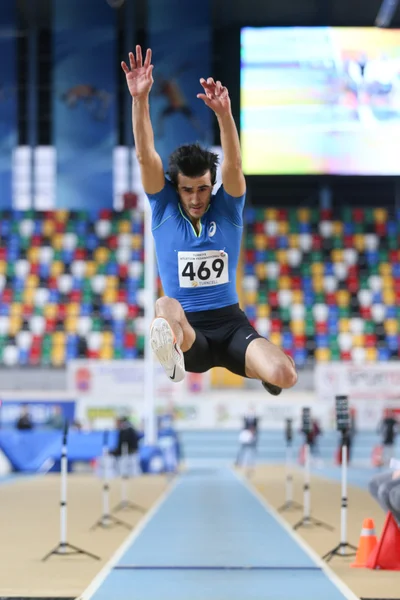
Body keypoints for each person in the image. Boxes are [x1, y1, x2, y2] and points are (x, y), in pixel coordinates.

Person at [121, 46, 298, 395]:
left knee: (285, 374)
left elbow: (233, 166)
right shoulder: (163, 208)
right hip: (191, 337)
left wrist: (224, 115)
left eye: (203, 189)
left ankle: (262, 370)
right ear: (176, 187)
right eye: (187, 190)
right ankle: (171, 352)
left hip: (232, 326)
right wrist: (140, 99)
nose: (196, 198)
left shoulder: (227, 209)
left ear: (211, 185)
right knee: (164, 305)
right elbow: (145, 156)